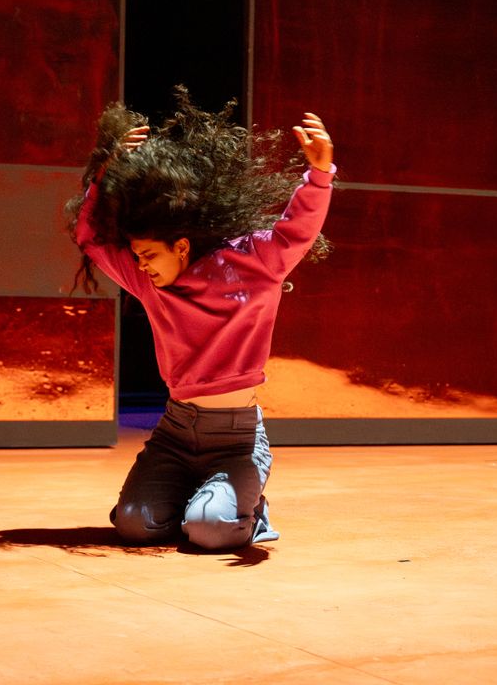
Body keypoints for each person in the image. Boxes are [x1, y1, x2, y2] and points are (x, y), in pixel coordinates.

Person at [66, 89, 335, 550]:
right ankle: (201, 498)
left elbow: (297, 229)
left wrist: (320, 175)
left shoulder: (252, 262)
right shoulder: (150, 282)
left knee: (210, 530)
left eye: (149, 255)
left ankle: (245, 508)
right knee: (134, 526)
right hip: (174, 432)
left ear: (182, 246)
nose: (141, 265)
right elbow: (89, 237)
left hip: (235, 436)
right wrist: (104, 173)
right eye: (137, 256)